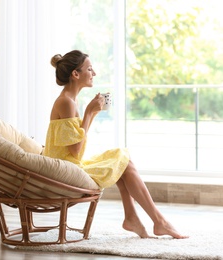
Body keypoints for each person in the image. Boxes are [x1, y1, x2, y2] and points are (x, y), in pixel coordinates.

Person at [43, 50, 188, 239]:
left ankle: (135, 218)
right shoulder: (66, 102)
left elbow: (75, 143)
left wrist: (93, 113)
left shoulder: (70, 100)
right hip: (63, 171)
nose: (93, 73)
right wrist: (89, 113)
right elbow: (75, 149)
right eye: (89, 69)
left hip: (69, 163)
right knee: (123, 161)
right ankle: (153, 221)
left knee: (121, 159)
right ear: (75, 74)